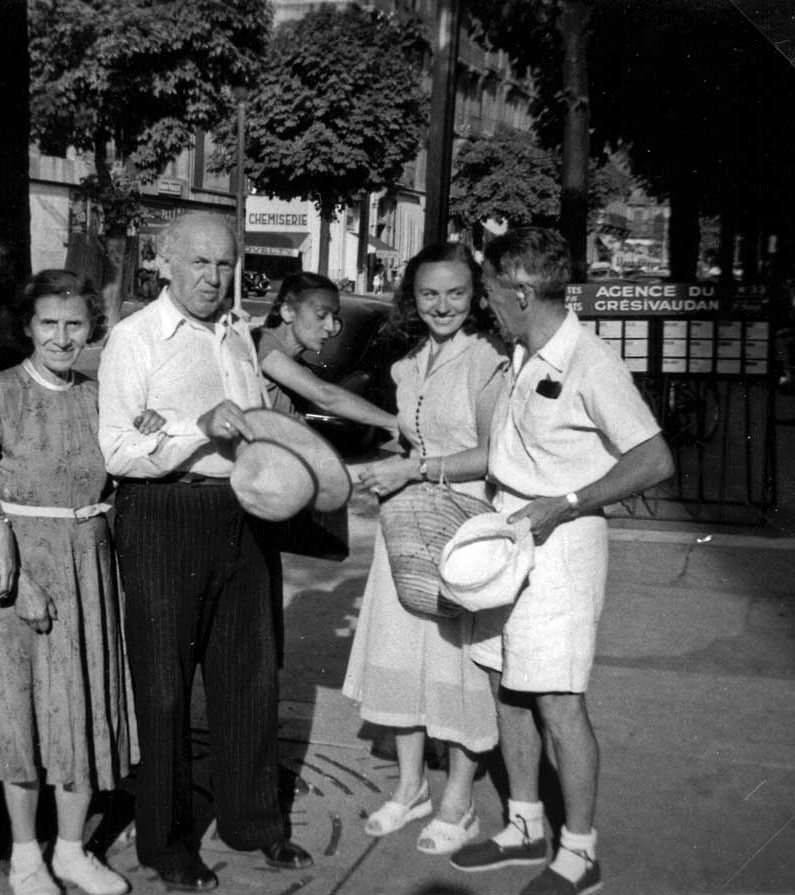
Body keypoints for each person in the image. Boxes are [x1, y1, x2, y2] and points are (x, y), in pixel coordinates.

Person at [452, 228, 673, 895]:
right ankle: (525, 824)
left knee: (557, 698)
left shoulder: (592, 362)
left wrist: (567, 502)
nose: (484, 304)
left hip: (563, 544)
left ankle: (580, 852)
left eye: (490, 291)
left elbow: (654, 459)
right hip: (509, 535)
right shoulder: (523, 348)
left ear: (520, 291)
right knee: (508, 686)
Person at [98, 212, 311, 892]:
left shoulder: (236, 332)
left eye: (225, 265)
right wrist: (196, 427)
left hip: (240, 512)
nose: (213, 279)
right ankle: (165, 842)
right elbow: (118, 449)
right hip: (163, 514)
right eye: (198, 263)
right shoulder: (134, 338)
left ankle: (254, 822)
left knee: (249, 674)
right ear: (164, 262)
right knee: (162, 687)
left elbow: (250, 423)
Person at [0, 270, 154, 895]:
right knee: (20, 710)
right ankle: (27, 854)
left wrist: (150, 428)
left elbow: (126, 462)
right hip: (23, 568)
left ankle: (73, 851)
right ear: (27, 326)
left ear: (91, 329)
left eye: (74, 324)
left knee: (85, 706)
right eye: (48, 323)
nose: (61, 337)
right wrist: (17, 580)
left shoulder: (96, 393)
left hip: (90, 568)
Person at [342, 243, 506, 855]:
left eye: (456, 293)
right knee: (399, 654)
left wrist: (414, 471)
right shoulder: (410, 362)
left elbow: (493, 455)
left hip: (461, 532)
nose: (442, 306)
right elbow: (413, 444)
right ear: (413, 298)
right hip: (405, 529)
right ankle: (410, 787)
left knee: (452, 661)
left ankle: (457, 801)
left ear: (475, 295)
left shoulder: (487, 359)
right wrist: (388, 471)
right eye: (429, 294)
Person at [254, 271, 400, 431]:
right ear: (288, 312)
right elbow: (327, 397)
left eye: (334, 317)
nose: (330, 327)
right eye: (321, 315)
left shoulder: (301, 368)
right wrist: (395, 424)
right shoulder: (261, 342)